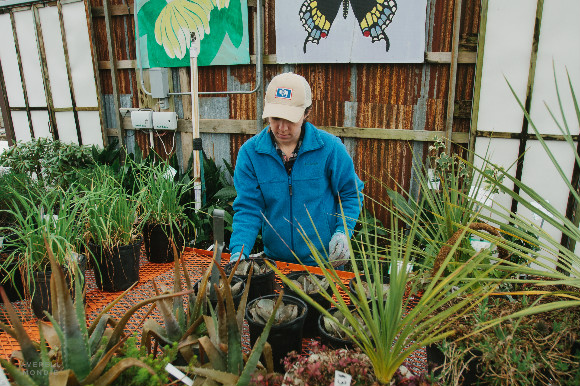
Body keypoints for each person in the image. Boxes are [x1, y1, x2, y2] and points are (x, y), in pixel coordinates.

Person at [228, 72, 364, 266]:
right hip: (277, 263)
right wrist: (238, 254)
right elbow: (248, 208)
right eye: (275, 118)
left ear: (306, 113)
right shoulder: (251, 154)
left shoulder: (330, 148)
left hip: (325, 263)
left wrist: (343, 232)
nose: (282, 127)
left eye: (290, 119)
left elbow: (351, 194)